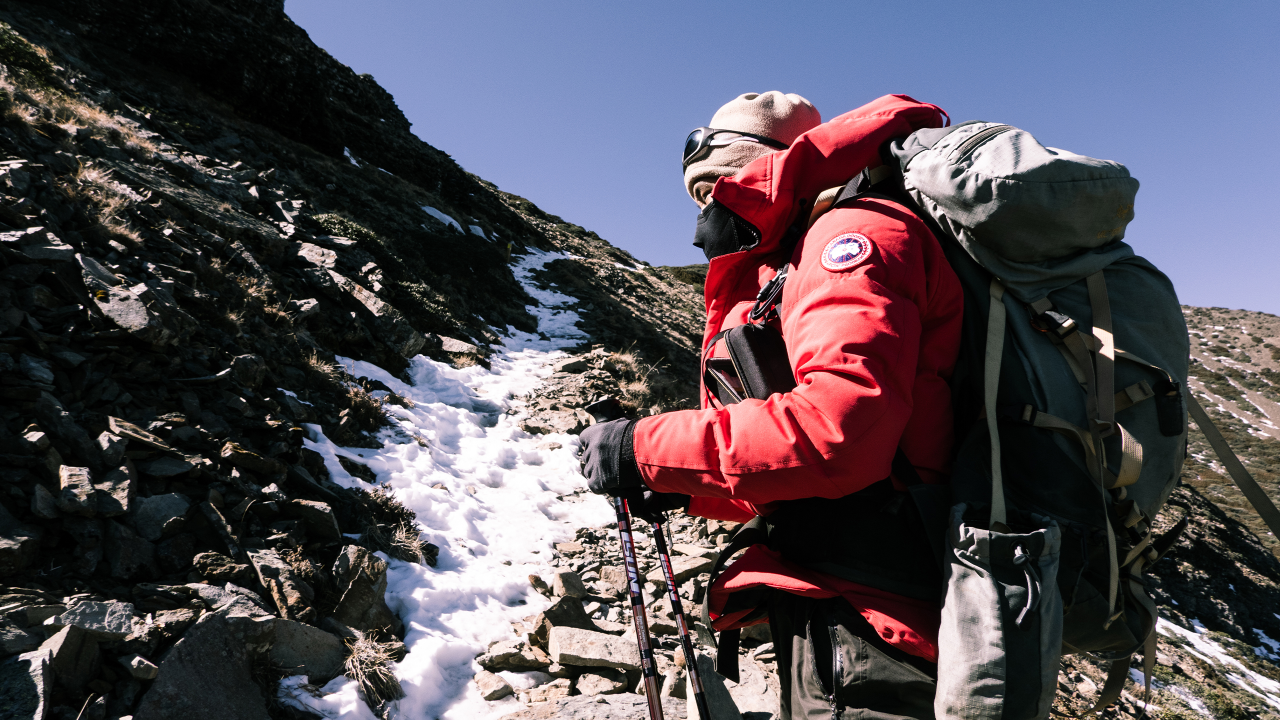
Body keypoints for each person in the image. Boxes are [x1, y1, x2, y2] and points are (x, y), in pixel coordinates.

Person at [579, 91, 962, 719]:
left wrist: (642, 447)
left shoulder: (851, 236)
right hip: (844, 600)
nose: (706, 215)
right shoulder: (798, 254)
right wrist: (681, 486)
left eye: (712, 191)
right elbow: (808, 465)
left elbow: (839, 432)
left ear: (762, 166)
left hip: (881, 616)